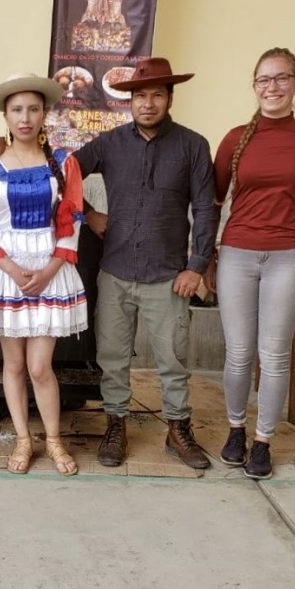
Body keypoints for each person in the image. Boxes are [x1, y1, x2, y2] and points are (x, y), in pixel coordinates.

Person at [73, 58, 218, 470]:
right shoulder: (110, 143)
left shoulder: (193, 145)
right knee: (113, 357)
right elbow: (64, 172)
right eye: (140, 96)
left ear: (170, 98)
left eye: (156, 95)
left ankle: (178, 430)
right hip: (115, 269)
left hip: (169, 276)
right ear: (129, 101)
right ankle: (115, 424)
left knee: (172, 359)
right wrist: (87, 213)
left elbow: (206, 210)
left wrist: (196, 265)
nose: (148, 103)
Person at [208, 47, 295, 480]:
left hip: (287, 255)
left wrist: (290, 217)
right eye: (264, 80)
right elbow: (214, 197)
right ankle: (235, 430)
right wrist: (208, 253)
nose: (272, 87)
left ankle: (263, 440)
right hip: (237, 254)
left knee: (275, 355)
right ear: (254, 86)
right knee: (238, 353)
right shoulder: (234, 139)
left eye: (281, 78)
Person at [0, 73, 88, 475]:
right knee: (12, 365)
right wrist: (13, 269)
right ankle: (22, 439)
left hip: (50, 268)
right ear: (6, 116)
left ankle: (53, 440)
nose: (25, 117)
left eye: (33, 109)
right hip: (5, 272)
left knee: (39, 366)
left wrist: (49, 269)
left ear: (44, 113)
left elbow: (73, 221)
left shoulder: (64, 162)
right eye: (17, 110)